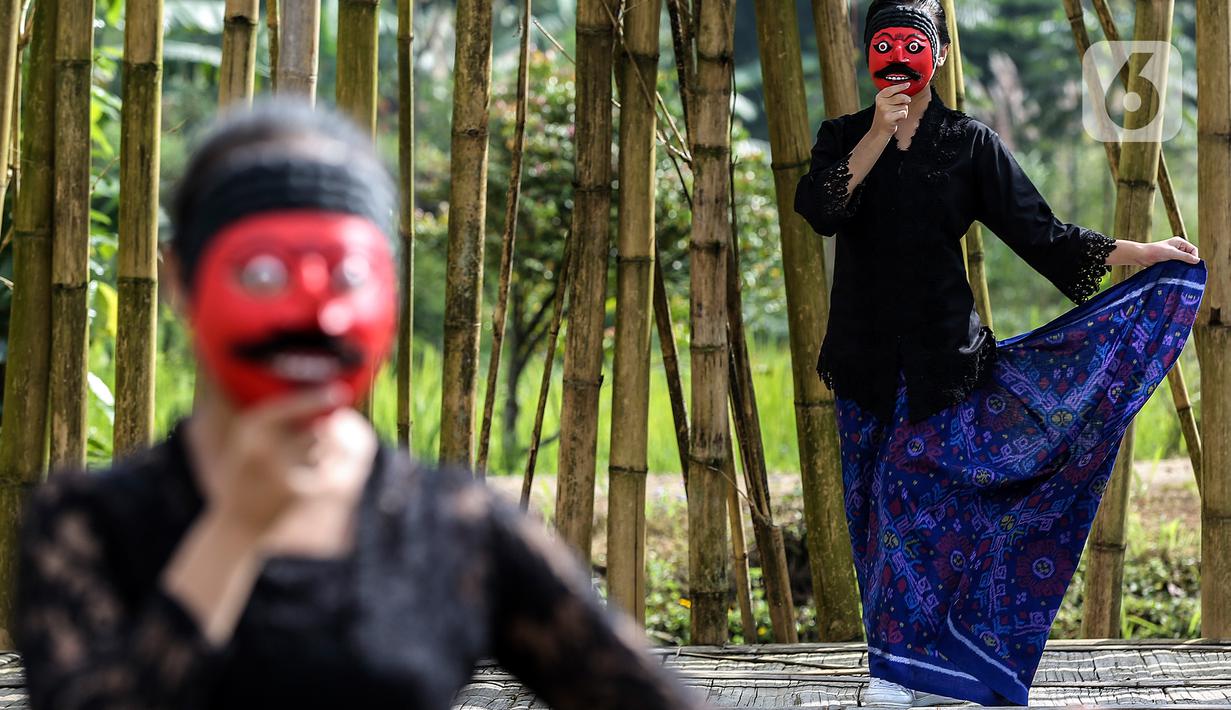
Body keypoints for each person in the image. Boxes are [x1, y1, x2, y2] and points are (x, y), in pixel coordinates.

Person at [14, 102, 703, 710]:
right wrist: (233, 531)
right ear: (179, 280)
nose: (313, 310)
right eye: (262, 272)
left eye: (346, 273)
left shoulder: (454, 528)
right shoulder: (87, 525)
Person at [794, 0, 1205, 706]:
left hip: (943, 363)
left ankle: (914, 666)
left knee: (907, 494)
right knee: (870, 510)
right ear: (867, 54)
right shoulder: (840, 137)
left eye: (912, 44)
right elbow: (819, 209)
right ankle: (898, 666)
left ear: (938, 55)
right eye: (883, 45)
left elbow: (1041, 235)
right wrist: (876, 135)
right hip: (862, 361)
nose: (897, 57)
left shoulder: (968, 143)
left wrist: (1141, 252)